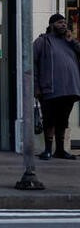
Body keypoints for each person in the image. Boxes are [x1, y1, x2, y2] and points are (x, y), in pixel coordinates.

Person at [33, 13, 80, 160]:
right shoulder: (42, 41)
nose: (64, 25)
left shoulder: (69, 42)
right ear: (52, 25)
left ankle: (60, 150)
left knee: (63, 120)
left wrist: (73, 41)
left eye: (65, 22)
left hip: (69, 88)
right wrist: (36, 87)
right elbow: (32, 64)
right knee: (49, 119)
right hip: (50, 88)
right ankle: (47, 149)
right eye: (60, 22)